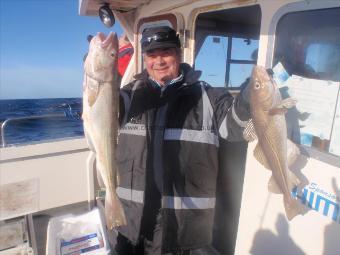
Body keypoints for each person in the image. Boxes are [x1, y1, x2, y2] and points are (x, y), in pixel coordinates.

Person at [113, 26, 250, 255]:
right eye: (152, 55)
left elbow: (235, 128)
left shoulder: (209, 97)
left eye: (166, 52)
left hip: (182, 229)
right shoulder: (128, 96)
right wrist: (101, 78)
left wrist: (249, 98)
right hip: (132, 222)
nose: (159, 61)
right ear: (144, 58)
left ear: (179, 54)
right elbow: (100, 111)